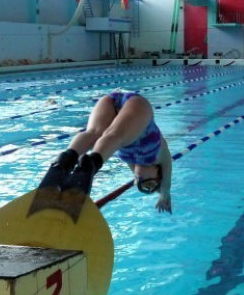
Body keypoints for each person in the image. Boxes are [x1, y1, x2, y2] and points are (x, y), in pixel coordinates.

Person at [39, 91, 173, 214]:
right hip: (138, 105)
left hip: (111, 101)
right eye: (150, 183)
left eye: (139, 183)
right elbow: (166, 184)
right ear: (158, 172)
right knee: (114, 136)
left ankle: (64, 162)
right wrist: (164, 195)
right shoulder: (160, 157)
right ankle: (90, 165)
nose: (141, 180)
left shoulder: (132, 163)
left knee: (93, 134)